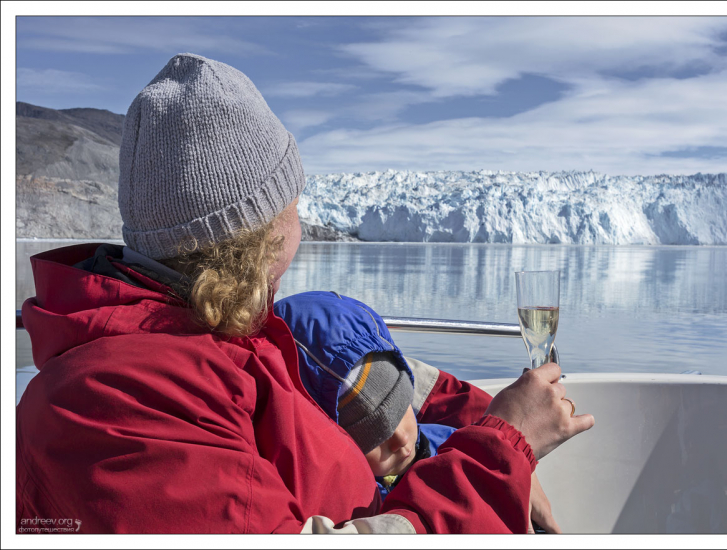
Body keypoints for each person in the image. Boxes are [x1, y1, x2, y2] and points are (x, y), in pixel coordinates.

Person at [16, 53, 594, 534]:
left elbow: (405, 385)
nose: (298, 218)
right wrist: (500, 453)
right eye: (292, 200)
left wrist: (497, 428)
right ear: (261, 229)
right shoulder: (116, 406)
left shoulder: (223, 338)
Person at [274, 291, 459, 501]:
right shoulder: (355, 510)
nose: (401, 439)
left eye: (401, 409)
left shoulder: (452, 445)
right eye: (374, 437)